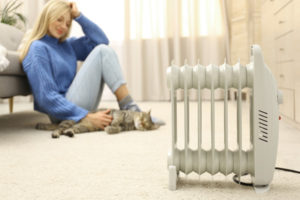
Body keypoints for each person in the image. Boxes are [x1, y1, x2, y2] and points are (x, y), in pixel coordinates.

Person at [20, 0, 164, 130]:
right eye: (59, 20)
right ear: (47, 17)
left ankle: (130, 108)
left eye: (68, 23)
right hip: (59, 112)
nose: (63, 27)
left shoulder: (66, 46)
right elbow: (46, 97)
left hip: (74, 102)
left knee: (103, 50)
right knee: (102, 52)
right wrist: (86, 116)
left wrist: (78, 16)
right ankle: (133, 110)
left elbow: (101, 41)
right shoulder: (37, 49)